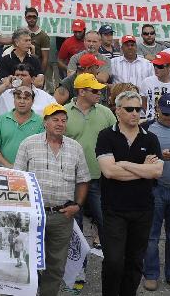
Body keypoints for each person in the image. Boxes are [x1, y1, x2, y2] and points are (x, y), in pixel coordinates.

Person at [15, 104, 90, 296]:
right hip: (33, 215)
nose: (60, 124)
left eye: (63, 120)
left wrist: (78, 205)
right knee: (26, 261)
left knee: (56, 265)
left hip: (61, 215)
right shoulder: (28, 144)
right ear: (45, 122)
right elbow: (17, 179)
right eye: (55, 120)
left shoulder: (75, 148)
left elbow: (83, 180)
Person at [96, 90, 164, 296]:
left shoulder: (150, 138)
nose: (135, 113)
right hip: (114, 210)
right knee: (114, 261)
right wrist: (142, 170)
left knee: (135, 262)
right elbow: (109, 171)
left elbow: (157, 171)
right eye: (129, 109)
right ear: (118, 111)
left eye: (138, 109)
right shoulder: (106, 136)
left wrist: (124, 165)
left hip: (143, 210)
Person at [141, 95, 170, 292]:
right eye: (166, 113)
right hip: (154, 189)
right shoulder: (146, 128)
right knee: (151, 235)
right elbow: (137, 155)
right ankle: (151, 274)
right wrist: (160, 156)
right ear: (157, 109)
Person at [65, 73, 117, 236]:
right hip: (70, 178)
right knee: (74, 225)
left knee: (105, 221)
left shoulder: (106, 113)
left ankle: (109, 260)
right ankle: (78, 262)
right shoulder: (63, 113)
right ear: (81, 92)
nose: (99, 93)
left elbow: (117, 139)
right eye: (94, 91)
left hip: (99, 178)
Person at [0, 85, 44, 167]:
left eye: (26, 98)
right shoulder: (1, 120)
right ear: (14, 99)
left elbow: (43, 149)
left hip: (32, 171)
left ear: (32, 101)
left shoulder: (41, 122)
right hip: (5, 170)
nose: (22, 101)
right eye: (18, 98)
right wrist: (8, 165)